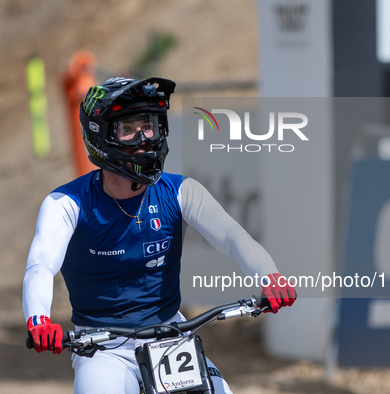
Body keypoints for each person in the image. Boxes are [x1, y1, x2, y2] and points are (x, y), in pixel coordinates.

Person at [22, 76, 296, 394]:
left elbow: (233, 238)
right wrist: (38, 319)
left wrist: (269, 276)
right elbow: (41, 265)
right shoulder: (64, 204)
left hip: (171, 335)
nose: (144, 138)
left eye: (149, 125)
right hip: (102, 349)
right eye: (129, 129)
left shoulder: (182, 190)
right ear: (101, 136)